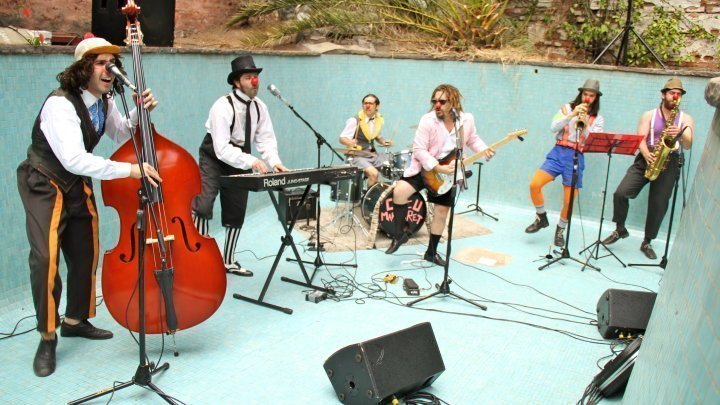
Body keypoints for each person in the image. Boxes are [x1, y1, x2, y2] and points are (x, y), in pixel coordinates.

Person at [16, 36, 161, 377]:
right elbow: (73, 158)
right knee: (46, 257)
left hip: (76, 182)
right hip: (44, 180)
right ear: (83, 67)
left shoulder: (104, 100)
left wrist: (140, 110)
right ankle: (47, 336)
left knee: (85, 253)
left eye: (112, 62)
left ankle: (75, 320)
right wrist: (130, 170)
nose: (108, 69)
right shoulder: (60, 104)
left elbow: (121, 133)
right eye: (100, 62)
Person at [192, 55, 288, 277]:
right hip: (214, 157)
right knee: (204, 205)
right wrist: (252, 161)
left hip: (241, 159)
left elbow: (265, 139)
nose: (255, 81)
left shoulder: (260, 107)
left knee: (236, 211)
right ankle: (198, 259)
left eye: (256, 77)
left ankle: (228, 261)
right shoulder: (222, 106)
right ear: (237, 82)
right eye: (248, 77)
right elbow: (222, 149)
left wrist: (275, 162)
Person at [384, 84, 494, 265]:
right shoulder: (427, 120)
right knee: (399, 192)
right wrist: (437, 167)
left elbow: (472, 139)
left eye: (442, 101)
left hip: (448, 173)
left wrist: (484, 150)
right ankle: (399, 234)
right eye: (434, 101)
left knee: (441, 213)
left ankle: (431, 252)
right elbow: (419, 149)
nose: (437, 105)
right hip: (425, 167)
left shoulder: (466, 120)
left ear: (453, 102)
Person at [602, 77, 694, 259]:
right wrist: (647, 155)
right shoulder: (649, 115)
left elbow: (689, 144)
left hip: (670, 161)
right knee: (621, 193)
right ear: (663, 94)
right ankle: (620, 229)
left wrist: (681, 134)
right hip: (647, 157)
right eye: (671, 93)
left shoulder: (686, 118)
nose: (675, 96)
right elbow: (641, 139)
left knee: (659, 204)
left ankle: (647, 241)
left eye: (678, 94)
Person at [524, 79, 604, 247]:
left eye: (591, 95)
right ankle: (541, 217)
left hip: (577, 155)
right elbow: (553, 127)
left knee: (568, 201)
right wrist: (572, 115)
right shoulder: (566, 108)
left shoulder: (598, 119)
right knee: (534, 184)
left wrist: (586, 123)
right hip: (558, 152)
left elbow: (593, 141)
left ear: (596, 98)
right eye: (585, 94)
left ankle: (560, 230)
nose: (587, 98)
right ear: (581, 94)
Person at [338, 94, 392, 187]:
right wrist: (350, 142)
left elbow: (377, 137)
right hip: (357, 156)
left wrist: (384, 142)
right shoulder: (354, 120)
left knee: (395, 163)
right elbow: (342, 138)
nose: (367, 106)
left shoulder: (378, 120)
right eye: (365, 103)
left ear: (377, 106)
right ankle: (368, 199)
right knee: (374, 174)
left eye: (370, 103)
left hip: (372, 155)